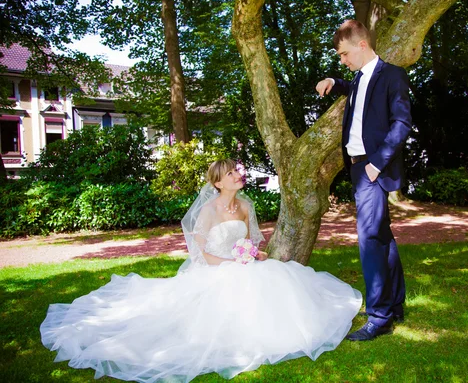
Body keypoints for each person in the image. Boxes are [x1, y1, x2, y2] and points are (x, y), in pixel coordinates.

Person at [40, 159, 362, 382]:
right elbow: (201, 254)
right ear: (218, 182)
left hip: (245, 265)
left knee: (281, 281)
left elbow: (251, 240)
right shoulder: (207, 211)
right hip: (216, 269)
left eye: (237, 170)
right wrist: (233, 263)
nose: (238, 174)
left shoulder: (246, 206)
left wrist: (254, 254)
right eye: (231, 173)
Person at [315, 20, 412, 341]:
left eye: (344, 54)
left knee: (369, 239)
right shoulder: (358, 79)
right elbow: (354, 88)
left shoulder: (393, 75)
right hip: (357, 168)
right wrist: (334, 80)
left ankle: (379, 316)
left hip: (373, 169)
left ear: (361, 45)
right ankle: (395, 305)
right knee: (382, 236)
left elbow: (401, 123)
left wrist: (377, 164)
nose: (342, 60)